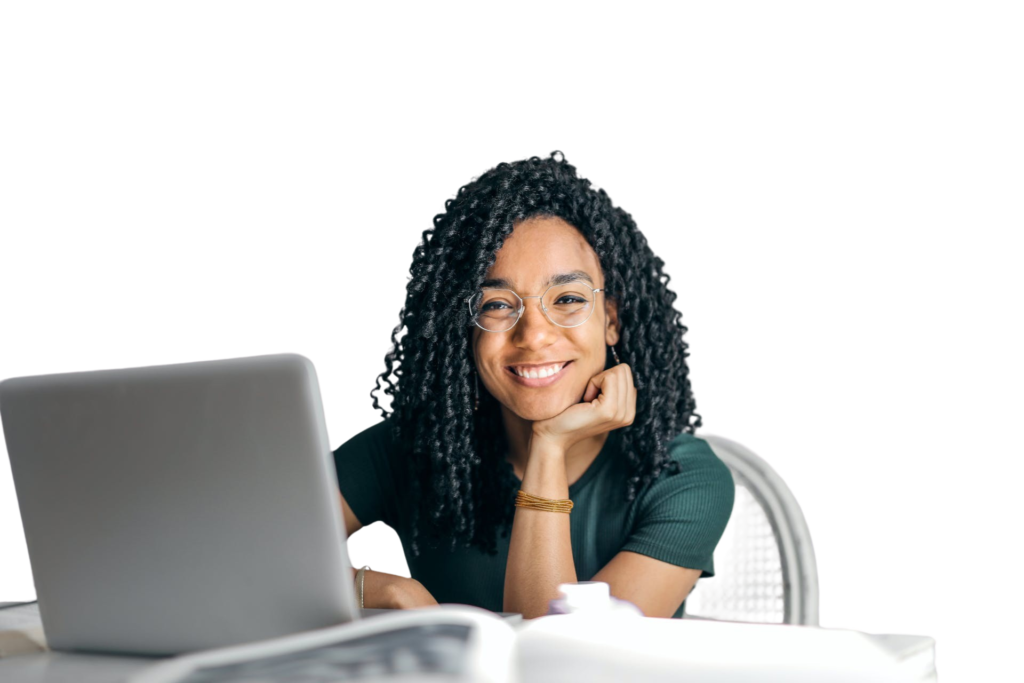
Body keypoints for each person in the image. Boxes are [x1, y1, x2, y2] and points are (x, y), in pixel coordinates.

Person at [336, 150, 734, 619]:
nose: (535, 335)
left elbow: (560, 664)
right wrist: (370, 587)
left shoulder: (683, 479)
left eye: (567, 298)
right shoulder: (413, 446)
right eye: (497, 305)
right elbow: (239, 553)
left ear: (612, 320)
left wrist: (549, 446)